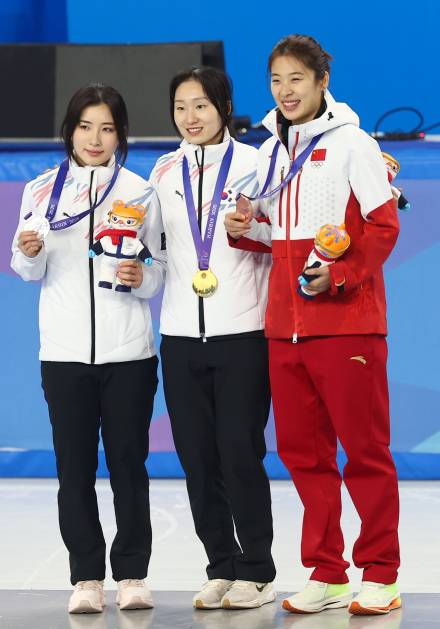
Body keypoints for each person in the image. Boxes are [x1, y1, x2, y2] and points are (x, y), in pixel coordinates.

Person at [225, 35, 401, 617]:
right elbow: (275, 239)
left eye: (296, 78)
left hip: (347, 325)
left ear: (322, 81)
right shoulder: (269, 152)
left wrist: (343, 277)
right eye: (276, 81)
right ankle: (327, 572)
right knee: (304, 457)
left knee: (365, 452)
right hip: (285, 328)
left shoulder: (355, 145)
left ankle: (380, 572)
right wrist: (241, 226)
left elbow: (381, 228)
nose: (285, 91)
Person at [11, 83, 166, 614]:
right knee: (73, 469)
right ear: (70, 131)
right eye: (85, 126)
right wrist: (28, 251)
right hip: (63, 354)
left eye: (107, 128)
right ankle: (85, 578)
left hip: (129, 354)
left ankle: (132, 574)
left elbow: (158, 271)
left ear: (121, 133)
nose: (95, 138)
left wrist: (140, 274)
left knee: (129, 465)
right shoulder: (40, 190)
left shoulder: (142, 191)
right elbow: (25, 267)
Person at [149, 67, 276, 610]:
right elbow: (155, 250)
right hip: (179, 333)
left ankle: (257, 571)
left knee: (239, 453)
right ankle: (220, 565)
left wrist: (254, 230)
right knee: (197, 457)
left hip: (242, 331)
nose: (190, 117)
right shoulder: (162, 170)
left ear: (224, 107)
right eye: (181, 107)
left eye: (201, 105)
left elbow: (280, 239)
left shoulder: (257, 163)